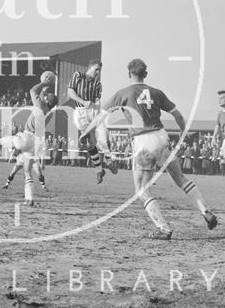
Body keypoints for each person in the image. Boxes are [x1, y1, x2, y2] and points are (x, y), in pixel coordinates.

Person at [80, 59, 217, 240]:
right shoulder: (157, 92)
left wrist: (85, 133)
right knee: (180, 178)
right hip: (161, 137)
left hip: (143, 141)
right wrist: (184, 132)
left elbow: (99, 118)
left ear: (129, 74)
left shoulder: (122, 93)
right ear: (145, 74)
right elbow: (177, 114)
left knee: (141, 190)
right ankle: (205, 210)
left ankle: (164, 229)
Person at [0, 73, 58, 206]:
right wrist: (45, 91)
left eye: (45, 96)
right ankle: (29, 199)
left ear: (45, 100)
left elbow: (33, 91)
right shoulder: (49, 112)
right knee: (27, 172)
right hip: (36, 143)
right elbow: (43, 97)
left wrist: (45, 84)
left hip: (26, 137)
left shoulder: (40, 105)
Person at [67, 59, 117, 184]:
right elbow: (70, 92)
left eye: (99, 71)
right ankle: (99, 169)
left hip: (94, 111)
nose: (98, 73)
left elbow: (97, 101)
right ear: (89, 68)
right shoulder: (78, 75)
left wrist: (99, 107)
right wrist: (83, 101)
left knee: (102, 138)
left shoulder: (98, 84)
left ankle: (109, 162)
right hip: (80, 112)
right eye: (96, 69)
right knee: (90, 143)